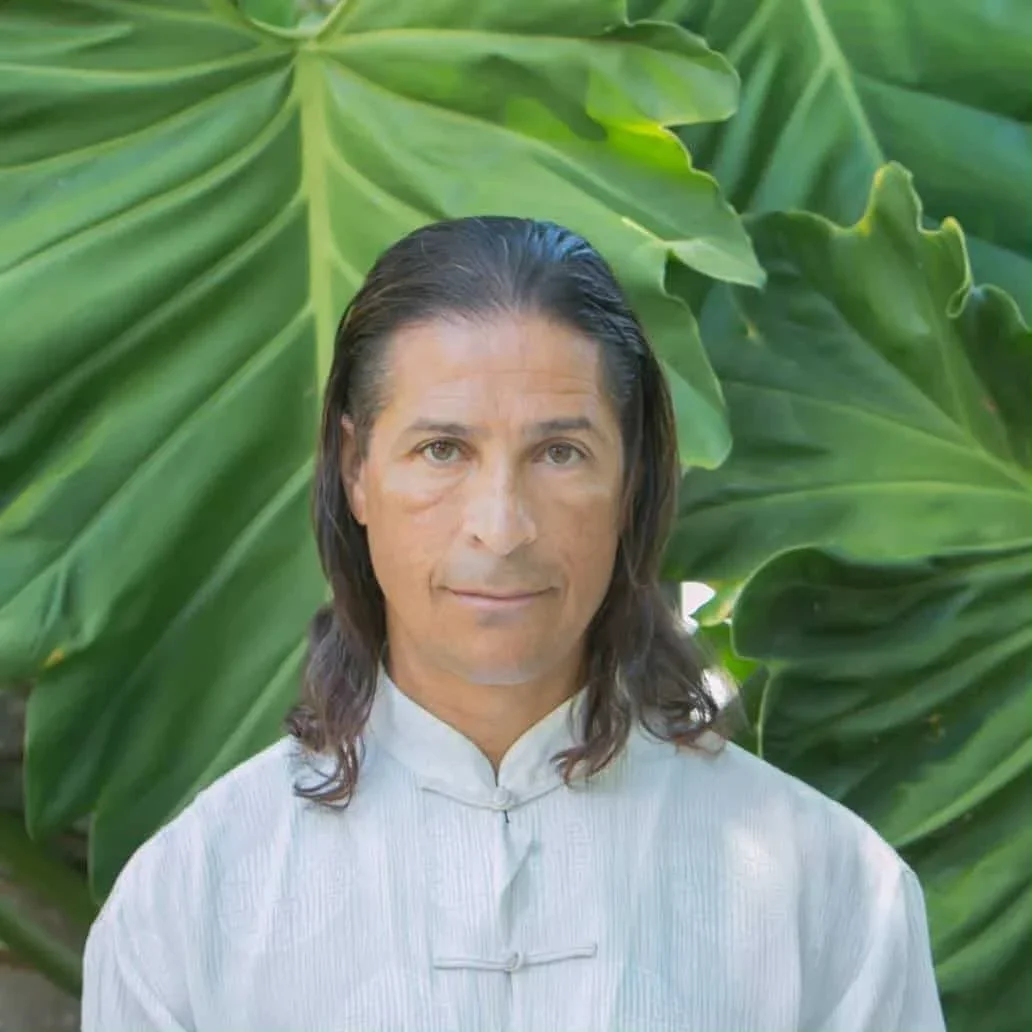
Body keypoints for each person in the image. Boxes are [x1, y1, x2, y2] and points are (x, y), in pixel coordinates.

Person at [81, 217, 947, 1032]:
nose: (500, 525)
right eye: (442, 450)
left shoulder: (827, 894)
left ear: (633, 480)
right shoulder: (192, 901)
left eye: (559, 453)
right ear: (356, 471)